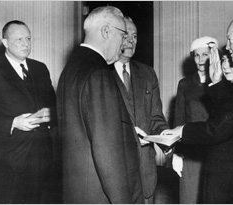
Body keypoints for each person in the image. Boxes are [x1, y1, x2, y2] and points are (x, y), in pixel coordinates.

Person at [164, 14, 233, 203]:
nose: (228, 47)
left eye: (231, 40)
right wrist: (217, 84)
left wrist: (182, 130)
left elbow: (218, 128)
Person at [56, 7, 144, 203]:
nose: (123, 44)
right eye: (122, 35)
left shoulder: (69, 71)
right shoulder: (99, 74)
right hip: (100, 196)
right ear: (106, 31)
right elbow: (108, 155)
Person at [0, 20, 57, 203]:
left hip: (41, 156)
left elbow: (53, 104)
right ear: (5, 42)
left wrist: (51, 115)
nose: (26, 44)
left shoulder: (40, 68)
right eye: (19, 39)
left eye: (28, 38)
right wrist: (14, 122)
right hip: (8, 160)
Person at [111, 16, 169, 204]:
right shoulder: (99, 73)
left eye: (135, 36)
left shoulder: (147, 73)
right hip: (114, 171)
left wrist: (168, 140)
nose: (130, 41)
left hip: (145, 171)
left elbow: (156, 118)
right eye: (126, 35)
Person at [172, 36, 217, 204]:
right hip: (191, 153)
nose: (200, 60)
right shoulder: (185, 84)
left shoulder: (221, 82)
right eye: (196, 55)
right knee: (189, 198)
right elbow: (179, 119)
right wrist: (177, 152)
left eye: (205, 55)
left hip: (215, 152)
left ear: (212, 56)